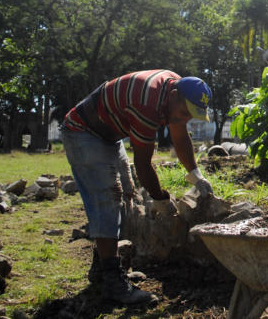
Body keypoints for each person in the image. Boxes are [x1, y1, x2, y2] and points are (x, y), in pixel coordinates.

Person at [61, 69, 215, 304]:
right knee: (108, 198)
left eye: (191, 116)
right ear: (173, 95)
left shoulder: (176, 90)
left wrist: (196, 175)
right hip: (83, 131)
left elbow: (180, 135)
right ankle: (112, 283)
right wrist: (161, 199)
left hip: (108, 132)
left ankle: (102, 268)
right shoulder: (147, 103)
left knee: (126, 193)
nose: (185, 119)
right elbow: (143, 165)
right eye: (184, 112)